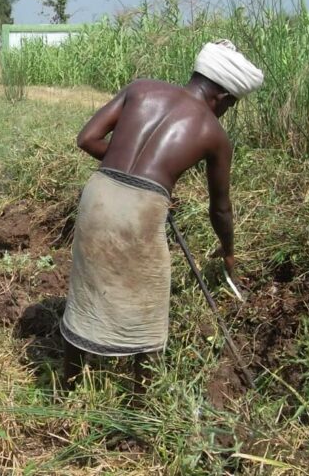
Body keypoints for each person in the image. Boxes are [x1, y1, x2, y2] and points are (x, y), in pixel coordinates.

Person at [60, 39, 263, 389]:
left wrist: (129, 172)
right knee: (150, 300)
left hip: (98, 193)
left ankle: (67, 384)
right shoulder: (214, 134)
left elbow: (87, 139)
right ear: (224, 97)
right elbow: (221, 207)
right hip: (141, 210)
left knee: (87, 284)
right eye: (232, 105)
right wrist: (229, 251)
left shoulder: (142, 88)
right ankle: (143, 401)